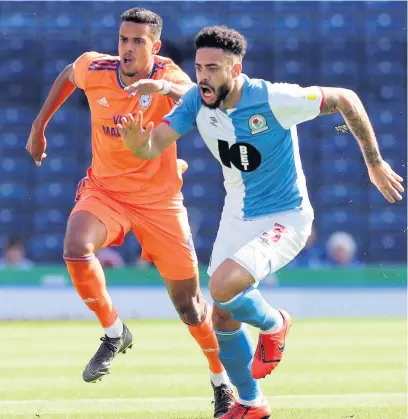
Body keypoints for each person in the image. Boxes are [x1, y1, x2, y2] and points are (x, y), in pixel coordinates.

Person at [116, 25, 404, 419]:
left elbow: (346, 99)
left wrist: (373, 163)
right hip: (237, 216)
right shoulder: (196, 103)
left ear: (235, 68)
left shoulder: (274, 98)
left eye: (213, 68)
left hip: (286, 216)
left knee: (221, 286)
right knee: (221, 314)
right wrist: (136, 143)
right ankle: (252, 404)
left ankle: (274, 323)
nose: (203, 76)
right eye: (199, 67)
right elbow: (152, 146)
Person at [25, 11, 234, 417]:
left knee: (190, 306)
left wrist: (162, 87)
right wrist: (38, 126)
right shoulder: (97, 67)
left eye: (139, 41)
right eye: (124, 39)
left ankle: (221, 380)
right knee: (75, 246)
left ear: (154, 47)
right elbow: (70, 74)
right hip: (107, 192)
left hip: (160, 203)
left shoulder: (167, 73)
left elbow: (195, 94)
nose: (128, 48)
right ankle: (114, 332)